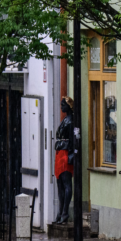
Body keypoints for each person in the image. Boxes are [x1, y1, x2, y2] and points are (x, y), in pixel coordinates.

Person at [54, 96, 75, 224]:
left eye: (63, 104)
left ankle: (65, 212)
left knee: (66, 184)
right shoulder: (65, 120)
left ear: (69, 106)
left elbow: (73, 140)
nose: (61, 106)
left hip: (65, 154)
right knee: (60, 184)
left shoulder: (71, 121)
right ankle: (61, 211)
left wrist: (71, 156)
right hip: (60, 154)